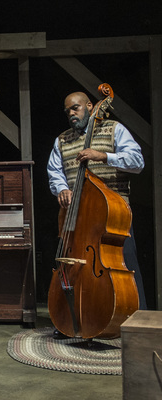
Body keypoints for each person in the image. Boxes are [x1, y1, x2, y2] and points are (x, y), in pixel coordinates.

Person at [47, 91, 147, 311]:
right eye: (68, 111)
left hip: (113, 214)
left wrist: (104, 156)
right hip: (78, 215)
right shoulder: (62, 140)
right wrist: (62, 189)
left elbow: (137, 162)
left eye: (75, 108)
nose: (71, 113)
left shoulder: (114, 129)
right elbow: (55, 171)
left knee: (125, 265)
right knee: (77, 265)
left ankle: (136, 317)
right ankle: (78, 315)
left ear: (90, 106)